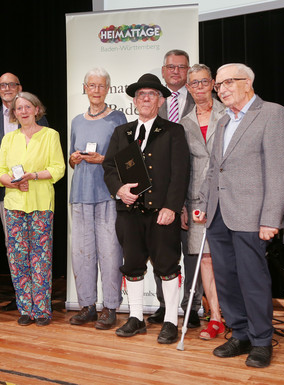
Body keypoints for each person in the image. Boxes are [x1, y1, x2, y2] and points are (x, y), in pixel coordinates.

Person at [194, 63, 284, 368]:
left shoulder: (272, 114)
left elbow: (279, 172)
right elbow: (214, 170)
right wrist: (202, 202)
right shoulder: (223, 121)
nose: (221, 89)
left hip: (252, 216)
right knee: (225, 279)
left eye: (227, 83)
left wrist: (270, 218)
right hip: (219, 214)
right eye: (218, 85)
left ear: (247, 83)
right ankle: (240, 333)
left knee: (253, 280)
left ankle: (262, 340)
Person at [103, 74, 190, 344]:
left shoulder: (173, 131)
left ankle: (170, 321)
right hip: (129, 214)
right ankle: (136, 317)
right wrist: (119, 190)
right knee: (132, 266)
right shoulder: (122, 132)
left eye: (151, 94)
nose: (145, 98)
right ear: (134, 100)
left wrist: (172, 207)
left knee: (167, 266)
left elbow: (181, 173)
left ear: (161, 100)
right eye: (141, 94)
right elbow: (109, 168)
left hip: (161, 213)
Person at [0, 92, 65, 326]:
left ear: (36, 109)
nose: (23, 111)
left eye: (27, 107)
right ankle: (25, 308)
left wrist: (32, 176)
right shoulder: (8, 139)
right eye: (18, 108)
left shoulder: (50, 135)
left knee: (40, 259)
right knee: (17, 259)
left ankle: (42, 310)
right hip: (14, 204)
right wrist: (10, 181)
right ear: (14, 114)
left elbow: (58, 169)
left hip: (41, 204)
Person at [0, 73, 48, 311]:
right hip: (6, 194)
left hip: (36, 193)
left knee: (36, 251)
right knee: (14, 249)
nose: (7, 88)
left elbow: (50, 162)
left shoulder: (44, 126)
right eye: (2, 85)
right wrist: (3, 186)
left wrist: (32, 177)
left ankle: (35, 301)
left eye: (12, 84)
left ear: (20, 88)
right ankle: (20, 297)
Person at [68, 68, 126, 330]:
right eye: (91, 85)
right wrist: (74, 158)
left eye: (101, 86)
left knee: (110, 252)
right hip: (79, 195)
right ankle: (87, 305)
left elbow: (126, 159)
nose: (96, 90)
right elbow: (70, 158)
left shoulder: (118, 119)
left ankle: (110, 306)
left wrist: (102, 159)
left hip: (106, 194)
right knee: (82, 254)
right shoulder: (76, 121)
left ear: (108, 89)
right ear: (85, 88)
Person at [150, 48, 199, 327]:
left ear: (188, 70)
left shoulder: (203, 100)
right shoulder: (154, 102)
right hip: (160, 190)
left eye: (182, 67)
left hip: (193, 187)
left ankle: (190, 307)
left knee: (191, 252)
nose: (176, 71)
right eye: (171, 67)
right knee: (162, 251)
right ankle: (164, 305)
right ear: (163, 70)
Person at [180, 64, 226, 340]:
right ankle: (217, 318)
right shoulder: (185, 123)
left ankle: (237, 313)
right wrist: (183, 205)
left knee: (228, 258)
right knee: (205, 259)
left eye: (203, 82)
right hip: (197, 198)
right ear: (188, 88)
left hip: (228, 195)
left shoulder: (229, 114)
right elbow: (184, 167)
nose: (198, 87)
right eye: (193, 83)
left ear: (212, 84)